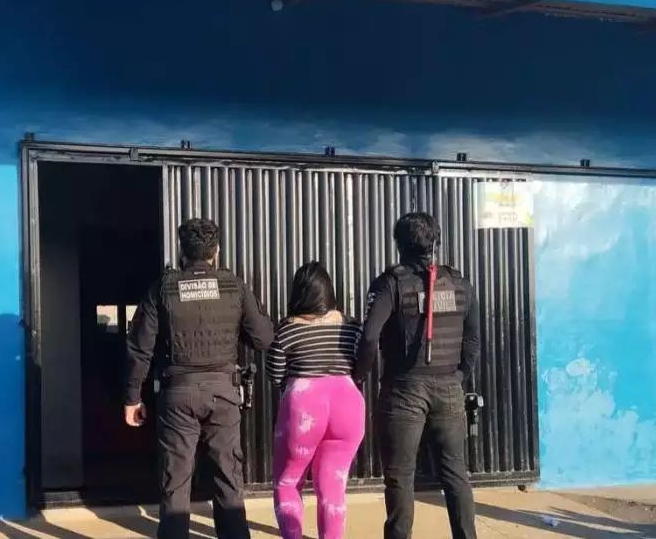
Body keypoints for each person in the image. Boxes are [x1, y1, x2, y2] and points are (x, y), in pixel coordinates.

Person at [125, 218, 275, 539]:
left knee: (175, 481)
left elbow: (140, 347)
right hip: (223, 393)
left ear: (182, 251)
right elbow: (263, 339)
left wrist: (132, 398)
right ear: (215, 251)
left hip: (178, 395)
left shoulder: (162, 289)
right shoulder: (234, 287)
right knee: (228, 479)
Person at [358, 212, 480, 539]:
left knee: (400, 476)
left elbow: (369, 337)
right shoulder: (460, 284)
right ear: (435, 242)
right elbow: (472, 341)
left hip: (403, 389)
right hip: (449, 387)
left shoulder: (390, 284)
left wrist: (358, 376)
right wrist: (459, 377)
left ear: (399, 244)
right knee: (455, 473)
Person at [267, 262, 365, 539]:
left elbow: (275, 372)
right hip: (348, 404)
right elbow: (363, 363)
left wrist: (289, 392)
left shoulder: (287, 330)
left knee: (288, 482)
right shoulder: (351, 327)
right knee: (333, 487)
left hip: (303, 405)